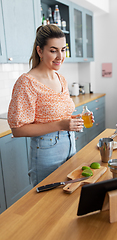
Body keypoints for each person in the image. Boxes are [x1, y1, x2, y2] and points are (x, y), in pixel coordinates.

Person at [7, 24, 89, 187]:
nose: (60, 56)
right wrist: (60, 124)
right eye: (53, 50)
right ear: (40, 51)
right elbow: (18, 129)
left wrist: (74, 120)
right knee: (47, 207)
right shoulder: (27, 82)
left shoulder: (61, 79)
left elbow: (57, 116)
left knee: (68, 199)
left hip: (70, 146)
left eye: (63, 50)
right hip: (46, 152)